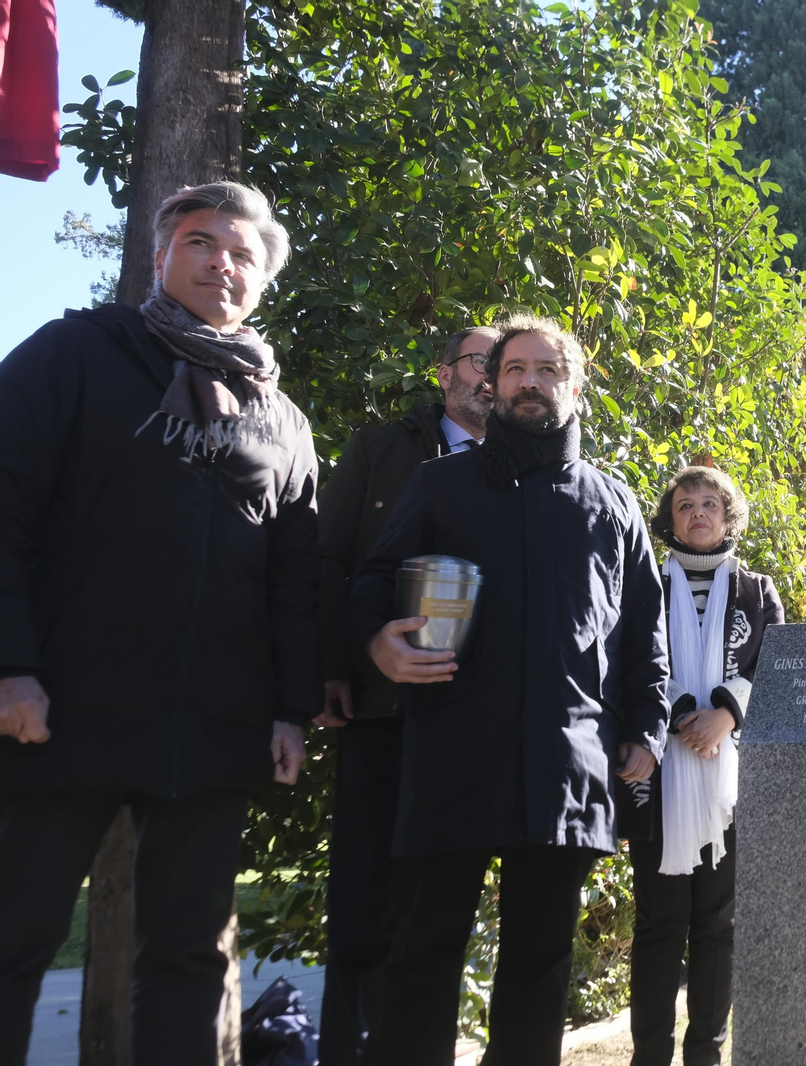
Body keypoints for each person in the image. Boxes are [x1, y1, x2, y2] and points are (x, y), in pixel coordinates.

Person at [0, 181, 317, 1066]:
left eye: (243, 253)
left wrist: (288, 708)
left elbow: (292, 576)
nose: (223, 262)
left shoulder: (283, 421)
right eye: (201, 242)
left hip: (212, 729)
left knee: (186, 955)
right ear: (160, 256)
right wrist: (8, 664)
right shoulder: (72, 355)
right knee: (11, 939)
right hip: (60, 710)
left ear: (262, 281)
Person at [349, 314, 671, 1066]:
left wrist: (648, 727)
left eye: (549, 369)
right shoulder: (438, 484)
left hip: (567, 763)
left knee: (540, 966)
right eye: (516, 369)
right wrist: (378, 644)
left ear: (577, 386)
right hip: (452, 755)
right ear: (490, 387)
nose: (532, 382)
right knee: (420, 955)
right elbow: (370, 583)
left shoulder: (615, 503)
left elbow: (644, 629)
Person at [315, 324, 498, 1065]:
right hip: (381, 709)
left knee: (441, 910)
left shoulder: (526, 466)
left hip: (476, 724)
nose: (489, 377)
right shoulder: (381, 450)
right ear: (444, 371)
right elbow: (329, 559)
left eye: (503, 363)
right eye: (476, 361)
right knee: (363, 903)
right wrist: (333, 665)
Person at [619, 466, 784, 1066]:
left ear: (728, 516)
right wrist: (685, 713)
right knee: (659, 923)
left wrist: (727, 714)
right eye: (685, 504)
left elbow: (776, 670)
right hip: (657, 774)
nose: (697, 514)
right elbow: (627, 664)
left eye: (710, 503)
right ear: (671, 517)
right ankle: (650, 1057)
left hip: (731, 780)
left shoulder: (759, 592)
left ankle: (706, 1055)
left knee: (718, 924)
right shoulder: (643, 589)